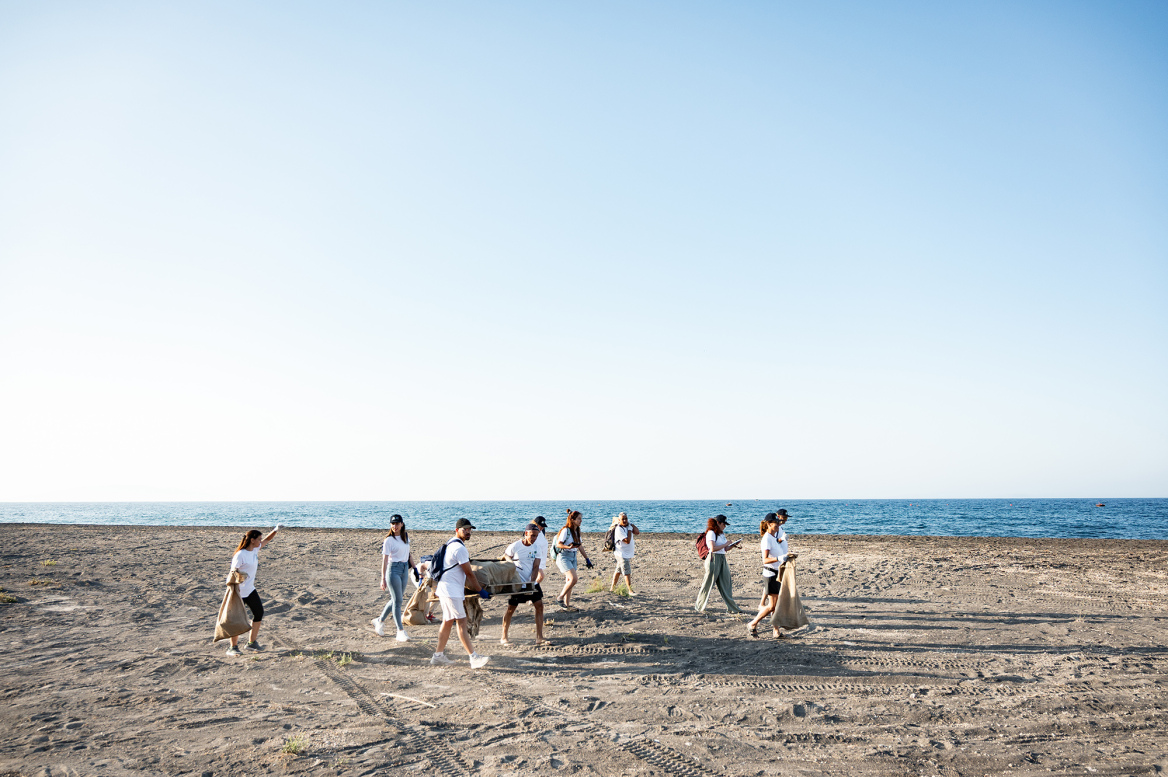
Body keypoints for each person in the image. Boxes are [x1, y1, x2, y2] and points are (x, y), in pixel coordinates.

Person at [431, 518, 491, 669]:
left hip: (445, 589)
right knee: (462, 622)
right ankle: (473, 657)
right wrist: (480, 590)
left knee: (447, 621)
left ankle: (438, 656)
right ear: (457, 530)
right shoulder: (459, 548)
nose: (469, 532)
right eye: (465, 529)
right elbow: (470, 574)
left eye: (470, 530)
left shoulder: (451, 543)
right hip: (451, 591)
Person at [224, 525, 280, 656]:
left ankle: (252, 643)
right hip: (238, 592)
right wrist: (235, 586)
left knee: (259, 612)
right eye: (258, 539)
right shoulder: (240, 555)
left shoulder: (254, 550)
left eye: (260, 539)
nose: (261, 541)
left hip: (250, 590)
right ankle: (232, 647)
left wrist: (276, 530)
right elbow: (232, 572)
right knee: (236, 619)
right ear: (252, 540)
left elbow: (267, 540)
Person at [747, 512, 797, 637]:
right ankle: (753, 623)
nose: (778, 526)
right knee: (772, 605)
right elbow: (765, 560)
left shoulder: (773, 538)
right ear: (769, 524)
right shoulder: (767, 539)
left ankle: (776, 631)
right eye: (776, 524)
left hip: (776, 573)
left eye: (779, 523)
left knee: (774, 605)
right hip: (770, 575)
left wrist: (786, 556)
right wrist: (780, 557)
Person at [500, 523, 550, 646]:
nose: (534, 538)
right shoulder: (515, 546)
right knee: (511, 609)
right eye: (532, 535)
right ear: (526, 533)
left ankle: (539, 637)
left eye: (536, 536)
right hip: (516, 582)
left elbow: (536, 567)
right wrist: (510, 562)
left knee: (539, 606)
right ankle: (504, 637)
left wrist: (531, 584)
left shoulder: (537, 547)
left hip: (530, 581)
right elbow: (505, 556)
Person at [372, 514, 417, 642]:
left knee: (396, 599)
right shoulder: (389, 541)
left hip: (404, 569)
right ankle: (400, 631)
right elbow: (385, 560)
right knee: (398, 601)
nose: (394, 526)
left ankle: (379, 621)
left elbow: (408, 554)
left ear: (402, 524)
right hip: (393, 570)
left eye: (397, 524)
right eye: (392, 524)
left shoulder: (405, 537)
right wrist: (383, 578)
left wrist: (415, 568)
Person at [694, 514, 744, 613]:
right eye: (723, 524)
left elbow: (724, 549)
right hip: (713, 558)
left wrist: (733, 545)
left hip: (721, 558)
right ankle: (699, 606)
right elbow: (712, 548)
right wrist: (726, 544)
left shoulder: (721, 534)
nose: (725, 526)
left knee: (726, 583)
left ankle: (732, 608)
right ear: (718, 523)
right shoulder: (711, 533)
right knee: (708, 584)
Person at [554, 509, 593, 610]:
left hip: (573, 556)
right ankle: (560, 597)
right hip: (564, 556)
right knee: (573, 579)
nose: (581, 521)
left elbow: (580, 546)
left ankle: (566, 605)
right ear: (573, 519)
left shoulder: (577, 531)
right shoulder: (566, 530)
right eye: (579, 519)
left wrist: (587, 559)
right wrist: (568, 547)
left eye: (581, 519)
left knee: (569, 581)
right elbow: (559, 544)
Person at [758, 508, 791, 610]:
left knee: (774, 592)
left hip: (779, 561)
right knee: (772, 602)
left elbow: (775, 542)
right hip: (774, 564)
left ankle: (773, 611)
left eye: (786, 518)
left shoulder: (777, 530)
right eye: (783, 518)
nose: (785, 520)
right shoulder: (770, 534)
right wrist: (781, 541)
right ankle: (762, 605)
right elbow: (774, 543)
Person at [609, 512, 640, 594]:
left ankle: (612, 588)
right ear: (619, 520)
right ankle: (630, 590)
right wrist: (629, 530)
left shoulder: (628, 526)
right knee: (627, 571)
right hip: (621, 554)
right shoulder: (619, 529)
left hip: (624, 553)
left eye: (626, 518)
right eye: (623, 519)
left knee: (618, 570)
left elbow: (637, 532)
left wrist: (631, 525)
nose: (625, 520)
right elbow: (627, 541)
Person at [531, 515, 549, 585]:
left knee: (538, 577)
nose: (542, 527)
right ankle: (533, 587)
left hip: (541, 559)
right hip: (535, 559)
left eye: (543, 526)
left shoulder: (542, 531)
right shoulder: (532, 532)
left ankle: (533, 587)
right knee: (540, 576)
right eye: (540, 526)